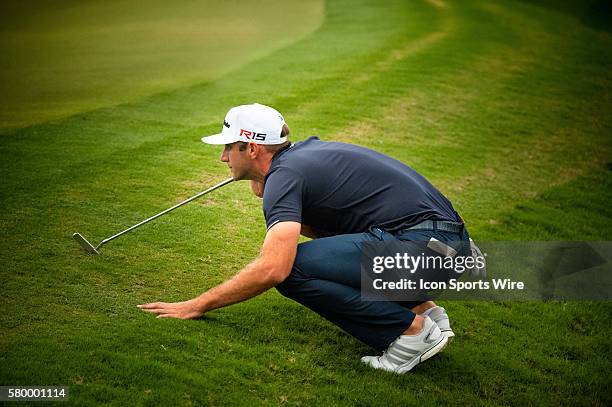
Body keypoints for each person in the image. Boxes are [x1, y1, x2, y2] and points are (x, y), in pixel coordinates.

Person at [138, 103, 471, 374]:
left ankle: (410, 333)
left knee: (292, 271)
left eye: (228, 147)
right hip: (448, 248)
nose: (223, 157)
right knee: (324, 254)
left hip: (422, 250)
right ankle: (424, 310)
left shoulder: (286, 175)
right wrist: (269, 191)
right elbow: (337, 231)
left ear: (252, 148)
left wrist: (198, 304)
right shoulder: (302, 159)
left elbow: (274, 268)